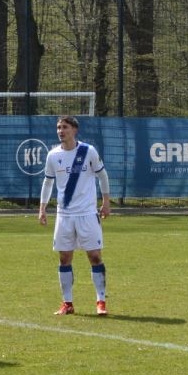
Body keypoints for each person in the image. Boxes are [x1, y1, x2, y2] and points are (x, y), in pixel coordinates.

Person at [38, 115, 111, 317]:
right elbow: (48, 182)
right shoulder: (53, 155)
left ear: (75, 130)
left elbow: (102, 176)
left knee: (95, 257)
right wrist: (42, 208)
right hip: (64, 215)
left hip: (87, 213)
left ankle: (101, 301)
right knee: (64, 258)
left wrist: (105, 202)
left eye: (65, 127)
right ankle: (67, 303)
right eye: (59, 127)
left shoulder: (88, 151)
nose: (61, 131)